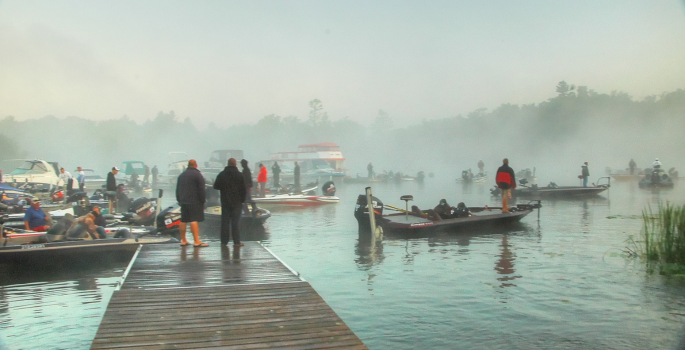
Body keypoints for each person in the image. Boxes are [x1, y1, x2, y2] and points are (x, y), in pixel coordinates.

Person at [213, 158, 247, 247]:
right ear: (235, 164)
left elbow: (216, 186)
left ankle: (224, 241)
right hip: (237, 202)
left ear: (227, 164)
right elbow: (244, 189)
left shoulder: (221, 174)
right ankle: (236, 242)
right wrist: (243, 201)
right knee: (235, 223)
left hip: (225, 202)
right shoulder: (240, 175)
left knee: (225, 222)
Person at [176, 159, 207, 247]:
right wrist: (203, 200)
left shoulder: (181, 175)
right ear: (195, 165)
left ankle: (183, 240)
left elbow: (177, 189)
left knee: (183, 220)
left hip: (184, 201)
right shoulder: (198, 175)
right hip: (194, 201)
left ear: (188, 165)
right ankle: (196, 241)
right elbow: (201, 189)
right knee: (194, 220)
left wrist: (179, 200)